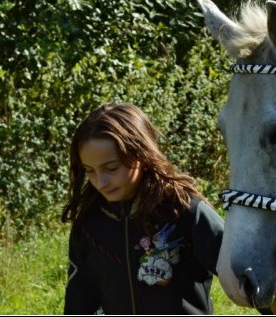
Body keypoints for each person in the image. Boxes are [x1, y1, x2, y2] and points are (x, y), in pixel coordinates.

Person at [62, 103, 224, 314]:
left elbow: (248, 274)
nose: (100, 182)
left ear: (142, 155)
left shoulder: (186, 212)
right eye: (89, 171)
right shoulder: (89, 224)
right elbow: (79, 302)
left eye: (111, 168)